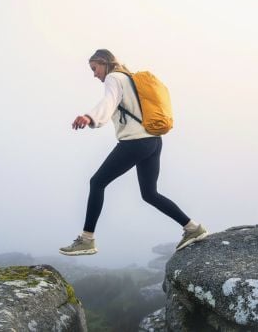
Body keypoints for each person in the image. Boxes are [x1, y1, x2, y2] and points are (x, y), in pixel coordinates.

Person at [58, 49, 209, 256]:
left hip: (135, 142)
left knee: (97, 182)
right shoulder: (131, 79)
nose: (95, 74)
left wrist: (89, 117)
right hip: (153, 141)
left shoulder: (114, 77)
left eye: (95, 69)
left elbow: (108, 102)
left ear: (104, 63)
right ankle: (193, 228)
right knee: (150, 193)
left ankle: (87, 239)